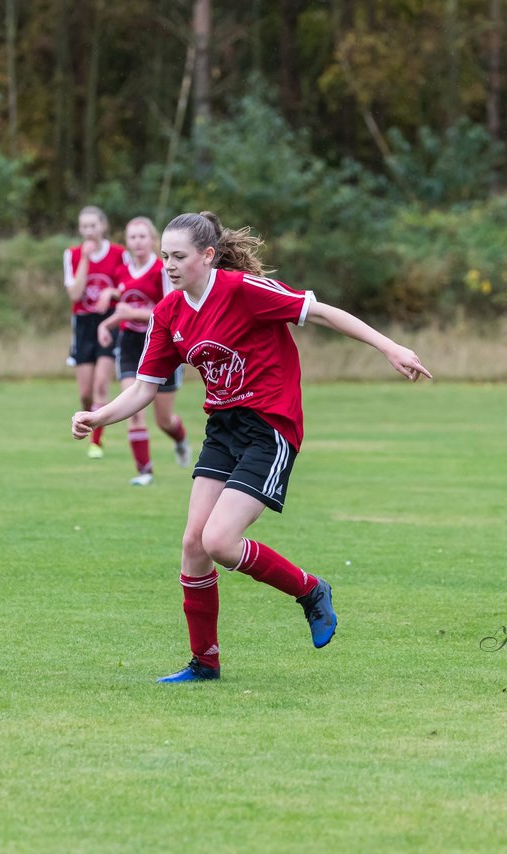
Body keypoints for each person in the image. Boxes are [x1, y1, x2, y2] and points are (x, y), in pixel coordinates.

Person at [72, 211, 431, 682]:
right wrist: (99, 416)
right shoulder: (168, 313)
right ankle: (204, 662)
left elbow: (319, 311)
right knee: (193, 544)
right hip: (222, 430)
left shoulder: (243, 290)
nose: (170, 266)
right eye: (164, 257)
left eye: (179, 257)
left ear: (207, 255)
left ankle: (311, 591)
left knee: (219, 541)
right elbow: (144, 389)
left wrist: (390, 348)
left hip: (270, 426)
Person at [97, 216, 192, 486]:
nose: (137, 242)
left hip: (162, 346)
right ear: (126, 242)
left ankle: (180, 439)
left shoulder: (163, 271)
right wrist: (107, 323)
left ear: (152, 240)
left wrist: (133, 312)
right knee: (134, 408)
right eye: (132, 237)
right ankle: (145, 471)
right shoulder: (123, 270)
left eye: (142, 236)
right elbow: (122, 306)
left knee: (164, 420)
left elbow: (172, 312)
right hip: (129, 344)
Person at [63, 205, 126, 459]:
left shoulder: (119, 253)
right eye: (84, 226)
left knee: (102, 384)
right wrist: (86, 260)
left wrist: (111, 292)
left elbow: (129, 288)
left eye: (93, 225)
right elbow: (75, 294)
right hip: (83, 324)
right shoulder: (73, 254)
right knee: (86, 393)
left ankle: (96, 444)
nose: (89, 231)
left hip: (109, 323)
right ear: (80, 229)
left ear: (103, 226)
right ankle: (87, 418)